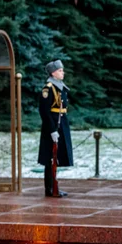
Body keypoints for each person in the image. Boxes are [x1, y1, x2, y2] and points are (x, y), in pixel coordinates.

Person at [38, 60, 73, 197]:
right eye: (59, 70)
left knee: (56, 157)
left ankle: (54, 186)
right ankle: (50, 188)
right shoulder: (48, 88)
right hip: (52, 126)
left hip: (61, 123)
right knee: (50, 158)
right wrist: (52, 130)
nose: (62, 72)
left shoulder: (60, 87)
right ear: (53, 73)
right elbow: (45, 111)